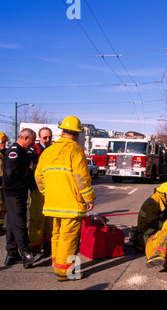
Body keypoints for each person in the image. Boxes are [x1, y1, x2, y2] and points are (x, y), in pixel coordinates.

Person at [35, 116, 96, 281]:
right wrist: (89, 198)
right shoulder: (75, 150)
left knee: (57, 234)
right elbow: (81, 178)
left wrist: (48, 193)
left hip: (53, 203)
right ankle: (65, 271)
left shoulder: (48, 151)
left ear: (62, 131)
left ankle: (57, 263)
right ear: (77, 134)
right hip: (71, 203)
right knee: (69, 238)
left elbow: (39, 176)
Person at [3, 128, 44, 268]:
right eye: (32, 141)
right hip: (14, 192)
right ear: (26, 138)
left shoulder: (21, 151)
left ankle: (12, 253)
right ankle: (26, 253)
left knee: (12, 222)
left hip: (15, 192)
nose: (32, 145)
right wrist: (29, 169)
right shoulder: (15, 151)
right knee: (20, 223)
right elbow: (12, 172)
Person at [28, 127, 53, 254]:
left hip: (51, 189)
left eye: (49, 137)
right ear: (40, 137)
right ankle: (35, 247)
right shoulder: (33, 150)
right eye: (45, 137)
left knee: (50, 219)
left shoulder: (53, 150)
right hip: (37, 188)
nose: (47, 140)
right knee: (37, 218)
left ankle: (48, 244)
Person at [0, 132, 9, 235]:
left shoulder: (4, 153)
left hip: (4, 183)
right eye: (2, 143)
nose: (3, 145)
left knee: (3, 206)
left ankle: (1, 225)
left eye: (4, 143)